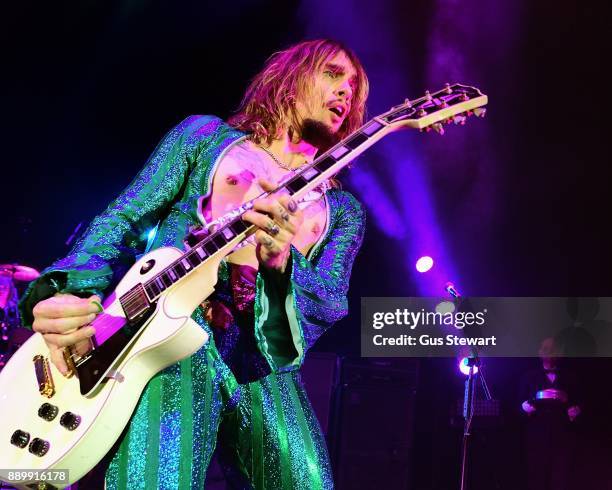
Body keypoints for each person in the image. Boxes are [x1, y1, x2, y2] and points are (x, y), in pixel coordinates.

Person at [19, 39, 369, 489]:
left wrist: (281, 262)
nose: (346, 92)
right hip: (171, 337)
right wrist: (67, 293)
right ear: (292, 76)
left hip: (262, 367)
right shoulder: (204, 137)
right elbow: (123, 217)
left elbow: (320, 308)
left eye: (355, 87)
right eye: (333, 74)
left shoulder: (342, 211)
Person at [520, 337, 581, 490]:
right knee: (536, 477)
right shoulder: (528, 376)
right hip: (536, 436)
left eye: (553, 349)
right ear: (540, 352)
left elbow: (580, 402)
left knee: (560, 479)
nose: (550, 353)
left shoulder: (571, 377)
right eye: (546, 349)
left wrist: (575, 412)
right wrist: (523, 408)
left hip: (562, 437)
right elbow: (515, 404)